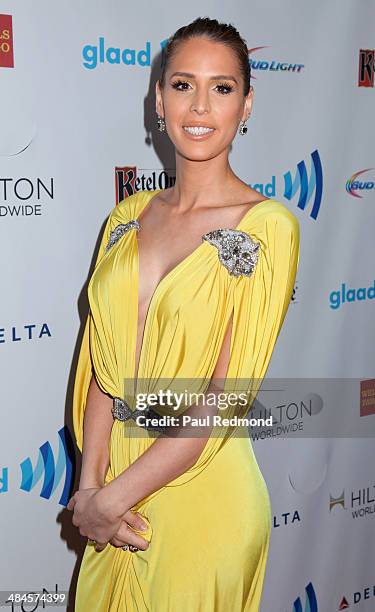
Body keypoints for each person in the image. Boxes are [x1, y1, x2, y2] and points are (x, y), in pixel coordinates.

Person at [67, 16, 300, 612]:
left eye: (221, 88)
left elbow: (219, 399)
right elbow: (103, 364)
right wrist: (90, 488)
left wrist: (112, 500)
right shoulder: (125, 218)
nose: (199, 106)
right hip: (109, 491)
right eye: (182, 84)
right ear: (158, 98)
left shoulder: (265, 227)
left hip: (203, 496)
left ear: (247, 104)